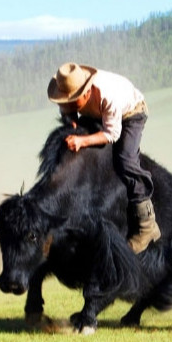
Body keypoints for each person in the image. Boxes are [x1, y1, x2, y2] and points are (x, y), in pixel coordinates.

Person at [47, 62, 160, 253]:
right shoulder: (70, 92)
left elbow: (112, 134)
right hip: (98, 115)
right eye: (66, 101)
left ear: (86, 92)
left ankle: (147, 225)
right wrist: (72, 123)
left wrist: (82, 141)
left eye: (74, 101)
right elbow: (68, 111)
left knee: (125, 159)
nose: (70, 104)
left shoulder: (108, 96)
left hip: (131, 114)